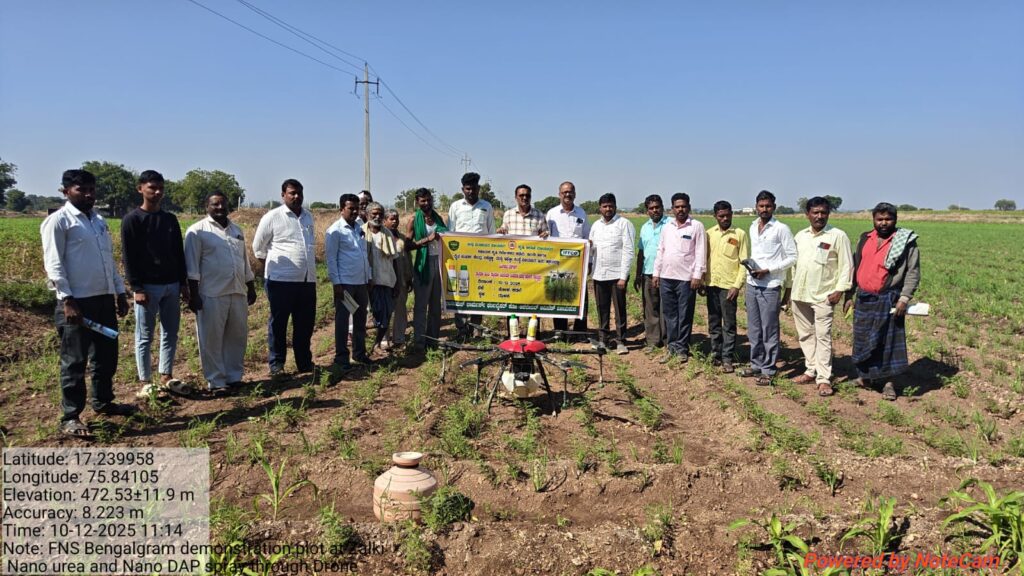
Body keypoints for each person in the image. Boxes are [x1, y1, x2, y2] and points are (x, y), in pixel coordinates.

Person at [42, 169, 136, 438]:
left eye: (92, 189)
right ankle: (71, 416)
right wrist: (67, 300)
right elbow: (54, 264)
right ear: (66, 191)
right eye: (81, 189)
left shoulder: (98, 221)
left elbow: (108, 261)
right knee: (74, 361)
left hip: (103, 300)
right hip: (76, 303)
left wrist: (119, 293)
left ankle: (103, 402)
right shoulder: (59, 222)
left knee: (106, 357)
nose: (88, 194)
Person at [120, 170, 191, 398]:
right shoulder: (132, 220)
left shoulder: (169, 219)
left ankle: (166, 376)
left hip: (171, 284)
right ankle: (145, 381)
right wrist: (136, 288)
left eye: (160, 188)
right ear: (140, 188)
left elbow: (178, 253)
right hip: (147, 287)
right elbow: (128, 257)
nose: (157, 192)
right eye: (152, 187)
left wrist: (183, 282)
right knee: (144, 335)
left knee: (171, 332)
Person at [844, 203, 920, 401]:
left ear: (895, 220)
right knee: (862, 339)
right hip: (864, 297)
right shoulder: (865, 238)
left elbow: (913, 272)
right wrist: (849, 295)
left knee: (887, 342)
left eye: (888, 219)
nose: (884, 223)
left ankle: (888, 383)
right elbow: (855, 267)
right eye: (880, 219)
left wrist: (904, 298)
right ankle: (865, 378)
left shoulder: (905, 242)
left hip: (889, 299)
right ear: (873, 220)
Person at [184, 191, 258, 395]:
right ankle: (216, 382)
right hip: (211, 293)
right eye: (215, 204)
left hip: (237, 291)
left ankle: (234, 377)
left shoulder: (237, 230)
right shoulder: (197, 231)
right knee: (211, 338)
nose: (220, 208)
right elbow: (192, 267)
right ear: (206, 206)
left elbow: (244, 261)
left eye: (223, 204)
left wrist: (250, 285)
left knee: (237, 336)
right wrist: (193, 294)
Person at [252, 179, 317, 379]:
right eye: (292, 193)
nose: (296, 196)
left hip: (307, 281)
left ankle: (304, 362)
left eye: (299, 193)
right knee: (278, 324)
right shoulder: (272, 217)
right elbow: (258, 249)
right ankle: (277, 364)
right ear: (283, 195)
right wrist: (274, 271)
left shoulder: (308, 217)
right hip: (280, 282)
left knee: (305, 325)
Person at [789, 197, 853, 396]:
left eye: (823, 213)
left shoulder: (837, 236)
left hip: (823, 295)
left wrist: (840, 290)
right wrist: (788, 291)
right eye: (815, 212)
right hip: (800, 294)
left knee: (823, 336)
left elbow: (847, 265)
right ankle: (810, 369)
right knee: (806, 334)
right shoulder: (800, 236)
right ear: (807, 214)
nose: (819, 216)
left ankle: (824, 378)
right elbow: (793, 266)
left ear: (828, 214)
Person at [738, 190, 797, 385]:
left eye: (768, 206)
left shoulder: (781, 229)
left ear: (774, 206)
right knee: (754, 329)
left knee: (769, 328)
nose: (764, 209)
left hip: (770, 286)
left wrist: (769, 270)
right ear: (756, 206)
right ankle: (756, 364)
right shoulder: (753, 226)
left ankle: (768, 369)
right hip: (752, 283)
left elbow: (792, 256)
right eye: (761, 206)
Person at [652, 193, 706, 363]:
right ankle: (672, 347)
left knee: (684, 314)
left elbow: (700, 252)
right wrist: (656, 273)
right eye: (677, 207)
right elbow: (661, 250)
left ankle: (682, 348)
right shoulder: (668, 227)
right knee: (669, 315)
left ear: (689, 207)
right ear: (672, 208)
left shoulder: (696, 226)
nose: (680, 209)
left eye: (683, 206)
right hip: (667, 277)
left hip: (686, 279)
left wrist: (697, 275)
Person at [325, 193, 372, 372]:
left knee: (360, 320)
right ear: (341, 209)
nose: (354, 211)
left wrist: (369, 276)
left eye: (356, 208)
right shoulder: (335, 231)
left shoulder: (359, 227)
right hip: (345, 283)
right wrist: (336, 284)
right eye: (350, 208)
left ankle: (359, 354)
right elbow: (331, 259)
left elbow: (363, 253)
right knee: (343, 321)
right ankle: (341, 358)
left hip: (361, 282)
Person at [704, 200, 749, 373]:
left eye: (728, 215)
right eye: (721, 216)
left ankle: (727, 358)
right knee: (714, 322)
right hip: (711, 284)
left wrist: (737, 286)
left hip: (728, 287)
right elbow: (705, 258)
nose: (725, 219)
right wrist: (702, 281)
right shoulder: (709, 234)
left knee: (729, 324)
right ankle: (715, 354)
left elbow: (744, 262)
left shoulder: (739, 234)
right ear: (715, 216)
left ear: (732, 214)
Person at [448, 172, 494, 340]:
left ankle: (476, 330)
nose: (471, 192)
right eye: (468, 189)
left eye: (474, 188)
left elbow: (491, 234)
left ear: (478, 188)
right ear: (463, 189)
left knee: (478, 292)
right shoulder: (455, 207)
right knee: (460, 293)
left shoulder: (487, 207)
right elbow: (450, 233)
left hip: (481, 259)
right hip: (460, 259)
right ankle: (461, 329)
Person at [588, 193, 635, 354]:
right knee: (602, 308)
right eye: (605, 206)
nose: (608, 209)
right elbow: (592, 250)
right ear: (600, 208)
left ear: (615, 206)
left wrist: (624, 276)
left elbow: (628, 251)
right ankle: (604, 340)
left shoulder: (624, 224)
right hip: (599, 274)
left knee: (620, 308)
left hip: (617, 276)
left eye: (611, 205)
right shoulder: (596, 226)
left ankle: (621, 340)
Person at [547, 181, 591, 337]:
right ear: (559, 194)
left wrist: (589, 262)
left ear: (575, 194)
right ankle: (560, 330)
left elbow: (587, 238)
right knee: (558, 295)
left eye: (570, 191)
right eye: (564, 192)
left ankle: (580, 331)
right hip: (557, 263)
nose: (567, 194)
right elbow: (546, 237)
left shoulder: (581, 213)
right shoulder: (552, 214)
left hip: (578, 263)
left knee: (580, 297)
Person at [406, 188, 448, 352]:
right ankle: (419, 342)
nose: (427, 203)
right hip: (423, 264)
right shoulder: (413, 220)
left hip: (439, 263)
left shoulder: (438, 218)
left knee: (436, 306)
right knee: (421, 306)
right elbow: (408, 246)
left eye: (429, 200)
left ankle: (433, 340)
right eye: (423, 201)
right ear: (417, 202)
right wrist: (427, 239)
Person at [363, 202, 400, 353]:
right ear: (367, 215)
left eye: (380, 214)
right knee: (377, 314)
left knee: (386, 314)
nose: (377, 217)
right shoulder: (361, 233)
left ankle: (377, 344)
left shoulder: (388, 234)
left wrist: (397, 282)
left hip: (388, 280)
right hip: (371, 282)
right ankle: (371, 344)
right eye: (374, 214)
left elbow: (395, 259)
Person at [633, 194, 668, 351]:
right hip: (648, 273)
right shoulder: (645, 227)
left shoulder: (670, 225)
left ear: (662, 208)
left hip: (666, 273)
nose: (655, 210)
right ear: (647, 210)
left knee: (666, 308)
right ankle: (653, 341)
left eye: (657, 207)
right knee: (650, 308)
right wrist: (638, 274)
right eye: (651, 208)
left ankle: (668, 341)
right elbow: (641, 252)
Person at [385, 209, 413, 348]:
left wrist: (409, 277)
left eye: (396, 218)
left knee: (400, 310)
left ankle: (399, 338)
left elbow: (407, 259)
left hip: (401, 280)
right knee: (385, 311)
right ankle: (384, 340)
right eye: (391, 219)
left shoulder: (402, 238)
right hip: (385, 281)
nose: (395, 221)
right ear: (385, 221)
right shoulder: (381, 237)